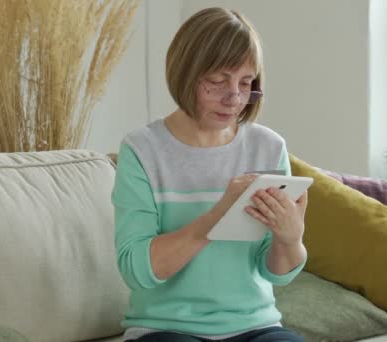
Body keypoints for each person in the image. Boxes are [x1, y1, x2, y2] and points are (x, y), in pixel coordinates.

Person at [112, 7, 308, 342]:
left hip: (256, 327)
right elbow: (137, 270)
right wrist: (219, 215)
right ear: (185, 74)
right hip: (165, 329)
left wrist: (289, 238)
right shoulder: (142, 150)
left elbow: (275, 273)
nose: (234, 98)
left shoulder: (268, 147)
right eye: (217, 82)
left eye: (246, 83)